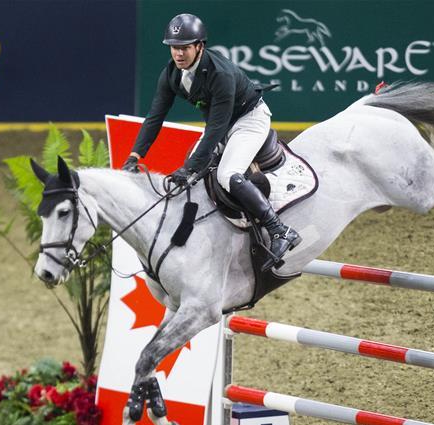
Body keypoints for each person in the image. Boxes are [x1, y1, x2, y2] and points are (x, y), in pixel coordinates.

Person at [123, 13, 301, 270]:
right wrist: (134, 157)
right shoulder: (171, 74)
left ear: (200, 46)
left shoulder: (221, 73)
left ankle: (279, 230)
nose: (178, 54)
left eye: (184, 47)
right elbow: (154, 118)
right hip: (224, 123)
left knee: (227, 174)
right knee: (191, 171)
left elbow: (217, 127)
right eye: (174, 47)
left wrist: (191, 168)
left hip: (249, 119)